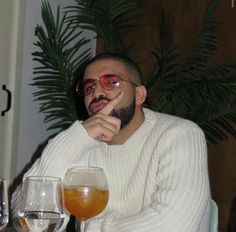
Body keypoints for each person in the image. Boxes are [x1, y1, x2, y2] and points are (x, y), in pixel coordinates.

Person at [13, 53, 211, 231]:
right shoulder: (80, 141)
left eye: (111, 82)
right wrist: (74, 139)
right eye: (89, 87)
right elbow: (32, 222)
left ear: (139, 95)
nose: (96, 92)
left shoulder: (179, 135)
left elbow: (177, 225)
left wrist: (92, 228)